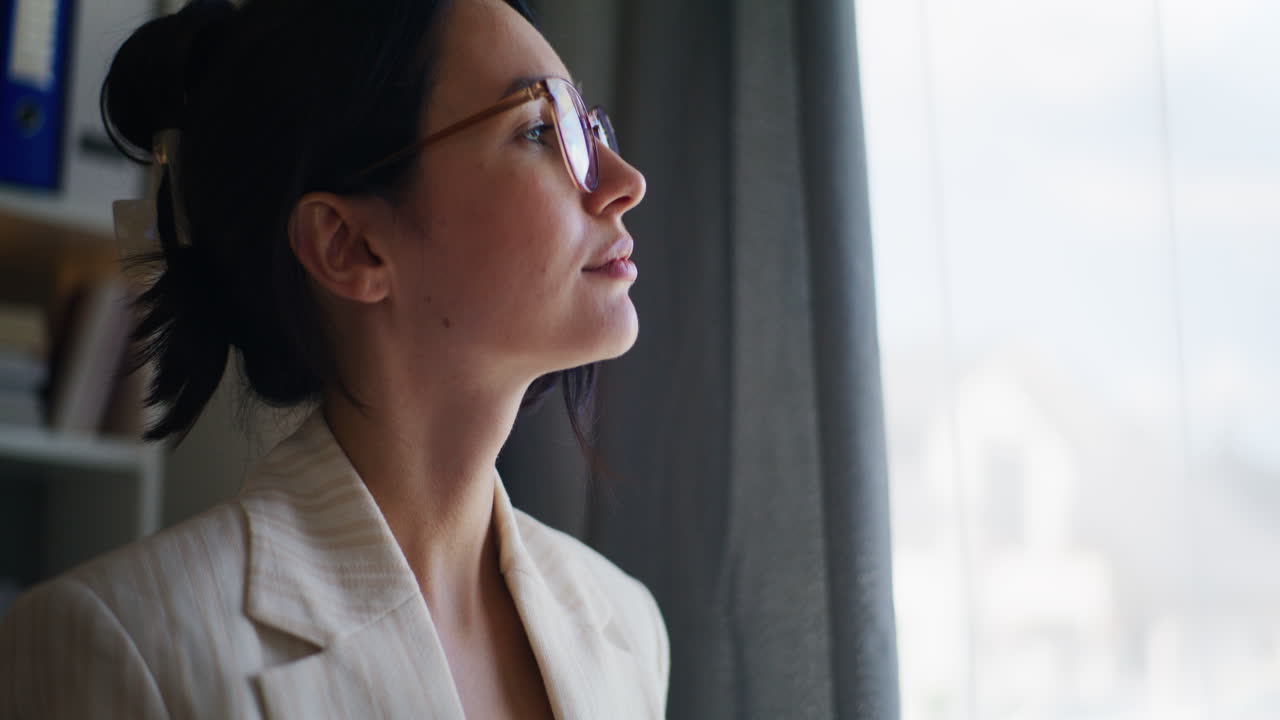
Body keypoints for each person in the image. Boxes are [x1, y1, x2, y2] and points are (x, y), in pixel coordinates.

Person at [0, 0, 668, 717]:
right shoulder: (121, 645)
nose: (624, 179)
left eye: (587, 127)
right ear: (349, 245)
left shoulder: (626, 625)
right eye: (541, 130)